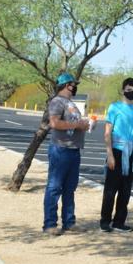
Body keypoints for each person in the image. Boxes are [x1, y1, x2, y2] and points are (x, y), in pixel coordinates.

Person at [43, 73, 89, 236]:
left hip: (73, 150)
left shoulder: (71, 103)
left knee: (70, 188)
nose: (75, 87)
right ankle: (49, 224)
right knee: (54, 187)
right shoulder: (57, 101)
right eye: (73, 84)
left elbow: (74, 123)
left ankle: (69, 222)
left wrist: (85, 125)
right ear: (66, 85)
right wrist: (77, 125)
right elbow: (54, 123)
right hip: (60, 150)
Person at [100, 77, 133, 233]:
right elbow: (107, 132)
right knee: (111, 188)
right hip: (116, 151)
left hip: (130, 153)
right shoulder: (114, 107)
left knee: (126, 189)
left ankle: (119, 222)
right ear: (123, 90)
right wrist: (109, 154)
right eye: (129, 90)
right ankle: (105, 221)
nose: (132, 93)